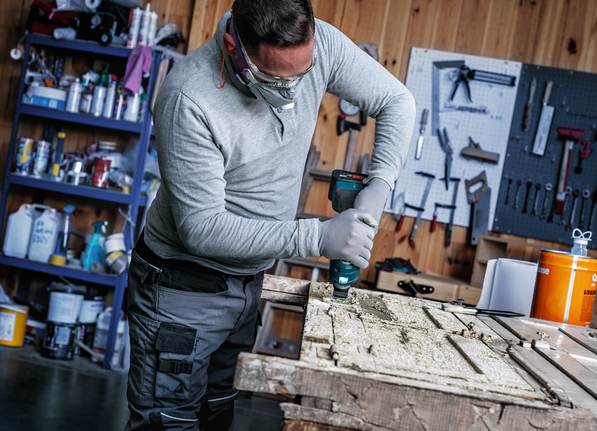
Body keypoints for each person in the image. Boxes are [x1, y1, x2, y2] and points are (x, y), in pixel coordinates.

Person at [124, 0, 416, 429]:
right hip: (183, 286)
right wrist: (316, 239)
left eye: (304, 73)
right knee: (167, 422)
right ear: (232, 47)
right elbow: (201, 229)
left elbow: (397, 100)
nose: (295, 92)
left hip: (248, 281)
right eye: (275, 80)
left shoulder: (321, 46)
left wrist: (379, 187)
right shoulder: (189, 98)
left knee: (216, 412)